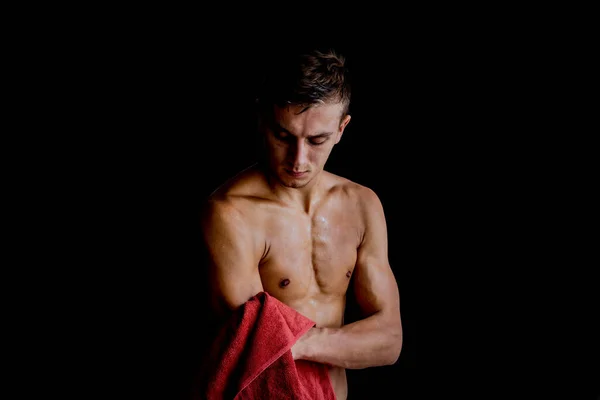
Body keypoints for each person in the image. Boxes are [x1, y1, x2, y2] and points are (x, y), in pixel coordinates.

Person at [199, 47, 402, 400]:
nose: (298, 159)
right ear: (264, 119)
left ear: (342, 129)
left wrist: (297, 343)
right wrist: (292, 345)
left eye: (317, 140)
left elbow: (389, 341)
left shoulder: (362, 205)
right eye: (283, 136)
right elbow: (253, 355)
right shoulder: (231, 214)